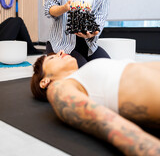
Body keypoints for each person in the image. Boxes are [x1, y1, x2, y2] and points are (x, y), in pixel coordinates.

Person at [31, 51, 160, 156]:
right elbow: (109, 124)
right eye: (52, 58)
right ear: (45, 81)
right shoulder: (59, 87)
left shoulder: (84, 72)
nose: (61, 52)